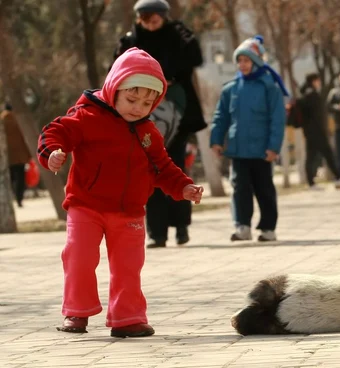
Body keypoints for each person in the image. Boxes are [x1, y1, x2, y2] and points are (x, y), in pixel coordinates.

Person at [37, 48, 204, 337]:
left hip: (129, 210)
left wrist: (184, 187)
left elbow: (162, 167)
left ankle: (127, 318)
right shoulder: (86, 116)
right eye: (132, 99)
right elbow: (55, 132)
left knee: (128, 266)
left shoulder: (148, 132)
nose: (138, 108)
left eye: (148, 103)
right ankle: (76, 313)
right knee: (80, 257)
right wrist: (52, 153)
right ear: (114, 88)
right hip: (86, 204)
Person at [114, 0, 207, 248]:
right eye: (145, 18)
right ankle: (157, 232)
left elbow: (195, 58)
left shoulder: (178, 34)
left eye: (155, 18)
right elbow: (118, 68)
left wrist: (186, 40)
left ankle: (181, 226)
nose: (150, 22)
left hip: (178, 109)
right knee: (150, 171)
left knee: (175, 167)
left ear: (164, 16)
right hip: (143, 111)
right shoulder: (131, 39)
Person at [210, 36, 286, 242]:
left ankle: (268, 228)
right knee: (240, 189)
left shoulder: (269, 87)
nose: (242, 65)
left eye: (247, 60)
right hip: (238, 150)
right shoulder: (231, 89)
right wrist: (216, 140)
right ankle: (242, 226)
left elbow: (277, 120)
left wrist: (274, 147)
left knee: (264, 189)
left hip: (262, 151)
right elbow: (221, 116)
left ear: (257, 61)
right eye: (239, 60)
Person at [298, 73, 340, 190]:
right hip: (316, 131)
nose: (319, 83)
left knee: (312, 156)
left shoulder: (307, 94)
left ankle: (312, 182)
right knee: (326, 154)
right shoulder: (311, 95)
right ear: (313, 81)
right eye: (318, 80)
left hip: (312, 131)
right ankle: (337, 177)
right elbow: (315, 116)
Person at [1, 103, 31, 207]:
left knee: (10, 178)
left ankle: (10, 198)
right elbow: (24, 138)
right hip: (20, 155)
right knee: (20, 178)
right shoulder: (18, 120)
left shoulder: (2, 121)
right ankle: (19, 198)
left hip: (7, 156)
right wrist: (28, 154)